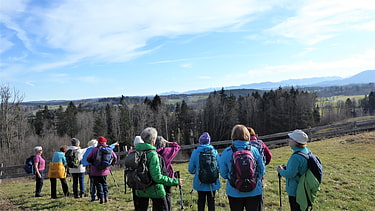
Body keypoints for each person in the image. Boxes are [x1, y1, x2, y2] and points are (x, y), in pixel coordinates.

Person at [134, 127, 181, 211]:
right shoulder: (152, 154)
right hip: (155, 189)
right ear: (153, 140)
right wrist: (175, 181)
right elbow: (157, 177)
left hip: (140, 189)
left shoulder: (136, 151)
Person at [219, 124, 265, 211]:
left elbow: (223, 173)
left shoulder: (227, 152)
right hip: (254, 190)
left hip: (234, 191)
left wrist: (232, 178)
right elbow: (261, 169)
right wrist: (255, 179)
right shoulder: (254, 150)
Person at [277, 129, 310, 211]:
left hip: (296, 190)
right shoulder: (306, 151)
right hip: (304, 187)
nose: (289, 140)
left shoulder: (296, 157)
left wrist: (280, 171)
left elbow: (290, 174)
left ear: (296, 142)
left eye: (291, 139)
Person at [188, 132, 220, 211]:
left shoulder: (195, 152)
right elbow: (219, 166)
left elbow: (191, 169)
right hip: (212, 183)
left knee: (201, 202)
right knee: (211, 202)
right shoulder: (214, 152)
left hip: (200, 182)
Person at [155, 136, 181, 211]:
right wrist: (169, 142)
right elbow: (177, 146)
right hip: (168, 175)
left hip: (157, 176)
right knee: (168, 195)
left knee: (159, 197)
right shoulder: (167, 151)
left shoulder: (154, 152)